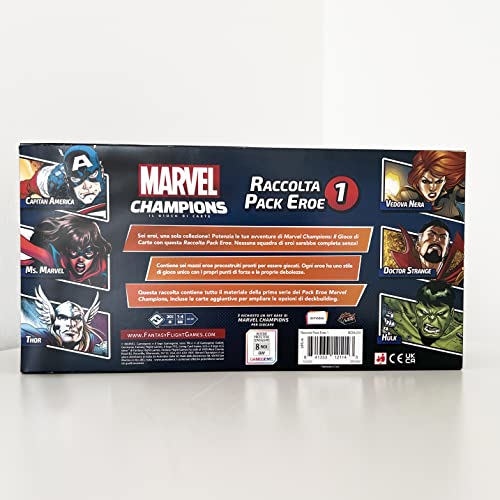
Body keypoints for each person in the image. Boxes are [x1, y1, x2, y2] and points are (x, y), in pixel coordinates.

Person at [21, 213, 111, 288]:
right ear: (66, 250)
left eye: (88, 252)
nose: (81, 259)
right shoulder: (53, 260)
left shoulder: (101, 271)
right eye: (74, 251)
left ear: (96, 252)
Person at [20, 145, 107, 216]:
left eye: (92, 175)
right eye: (76, 179)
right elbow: (24, 188)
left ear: (102, 172)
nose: (87, 186)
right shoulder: (53, 181)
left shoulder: (111, 185)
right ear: (67, 180)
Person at [21, 286, 107, 355]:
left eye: (77, 318)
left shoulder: (91, 342)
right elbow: (25, 331)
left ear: (83, 324)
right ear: (54, 322)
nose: (70, 324)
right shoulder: (45, 336)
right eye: (63, 317)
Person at [383, 281, 463, 354]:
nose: (432, 318)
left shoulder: (461, 332)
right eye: (424, 312)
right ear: (416, 309)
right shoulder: (398, 311)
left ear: (451, 313)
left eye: (440, 314)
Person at [393, 150, 465, 221]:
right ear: (417, 181)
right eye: (425, 181)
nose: (432, 188)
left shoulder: (452, 193)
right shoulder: (408, 195)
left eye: (439, 182)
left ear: (444, 181)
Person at [391, 220, 464, 286]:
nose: (437, 239)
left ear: (447, 251)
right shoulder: (401, 272)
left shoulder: (458, 278)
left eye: (443, 237)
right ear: (418, 245)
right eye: (431, 234)